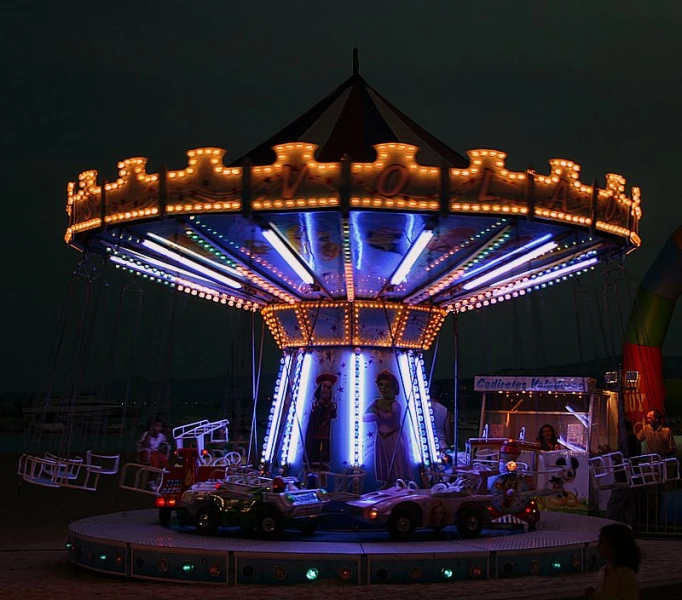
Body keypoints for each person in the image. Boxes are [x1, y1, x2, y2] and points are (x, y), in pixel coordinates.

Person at [363, 370, 412, 485]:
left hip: (394, 437)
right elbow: (365, 417)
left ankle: (398, 484)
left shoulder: (395, 404)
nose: (383, 388)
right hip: (381, 437)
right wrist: (375, 415)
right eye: (381, 385)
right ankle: (388, 484)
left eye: (386, 386)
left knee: (396, 462)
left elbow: (389, 417)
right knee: (384, 462)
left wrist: (376, 414)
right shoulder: (376, 402)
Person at [585, 523, 640, 599]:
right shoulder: (603, 571)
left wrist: (598, 597)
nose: (597, 546)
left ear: (614, 547)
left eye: (601, 543)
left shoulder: (626, 575)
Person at [304, 373, 338, 471]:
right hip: (315, 432)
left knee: (324, 451)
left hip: (325, 433)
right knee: (314, 450)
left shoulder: (331, 405)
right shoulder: (316, 404)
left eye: (329, 388)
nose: (326, 390)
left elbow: (333, 416)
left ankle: (322, 467)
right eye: (325, 387)